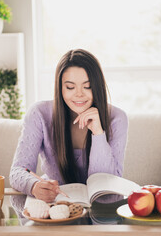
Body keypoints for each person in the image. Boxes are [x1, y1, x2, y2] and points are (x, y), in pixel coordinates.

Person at [9, 49, 128, 203]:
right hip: (56, 206)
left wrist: (98, 134)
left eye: (87, 86)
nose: (79, 94)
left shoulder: (117, 118)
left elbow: (107, 188)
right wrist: (34, 185)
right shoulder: (39, 114)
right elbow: (18, 170)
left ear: (97, 87)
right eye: (70, 87)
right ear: (60, 88)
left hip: (100, 212)